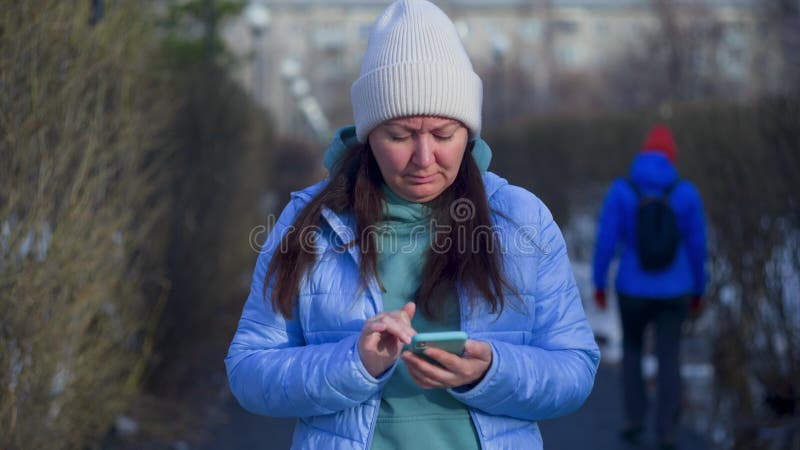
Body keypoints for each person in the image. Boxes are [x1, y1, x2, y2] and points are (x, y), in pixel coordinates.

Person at [226, 1, 599, 449]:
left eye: (443, 135)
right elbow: (248, 370)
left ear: (469, 132)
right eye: (400, 136)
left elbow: (575, 368)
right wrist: (355, 363)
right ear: (369, 137)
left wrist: (491, 371)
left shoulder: (522, 218)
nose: (424, 158)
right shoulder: (311, 222)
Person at [592, 124, 707, 450]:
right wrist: (699, 288)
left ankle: (633, 420)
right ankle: (667, 429)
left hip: (632, 288)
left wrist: (599, 283)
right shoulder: (685, 192)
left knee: (632, 352)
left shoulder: (622, 190)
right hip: (676, 289)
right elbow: (699, 247)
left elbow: (606, 241)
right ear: (672, 156)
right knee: (670, 357)